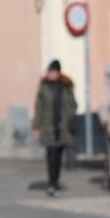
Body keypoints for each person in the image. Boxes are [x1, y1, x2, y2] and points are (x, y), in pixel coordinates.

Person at [32, 59, 77, 197]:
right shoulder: (43, 87)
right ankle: (51, 183)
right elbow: (38, 108)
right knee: (51, 156)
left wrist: (68, 117)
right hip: (48, 127)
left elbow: (73, 105)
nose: (51, 74)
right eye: (49, 71)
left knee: (58, 157)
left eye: (53, 71)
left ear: (58, 72)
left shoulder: (65, 87)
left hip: (62, 127)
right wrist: (36, 126)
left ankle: (55, 181)